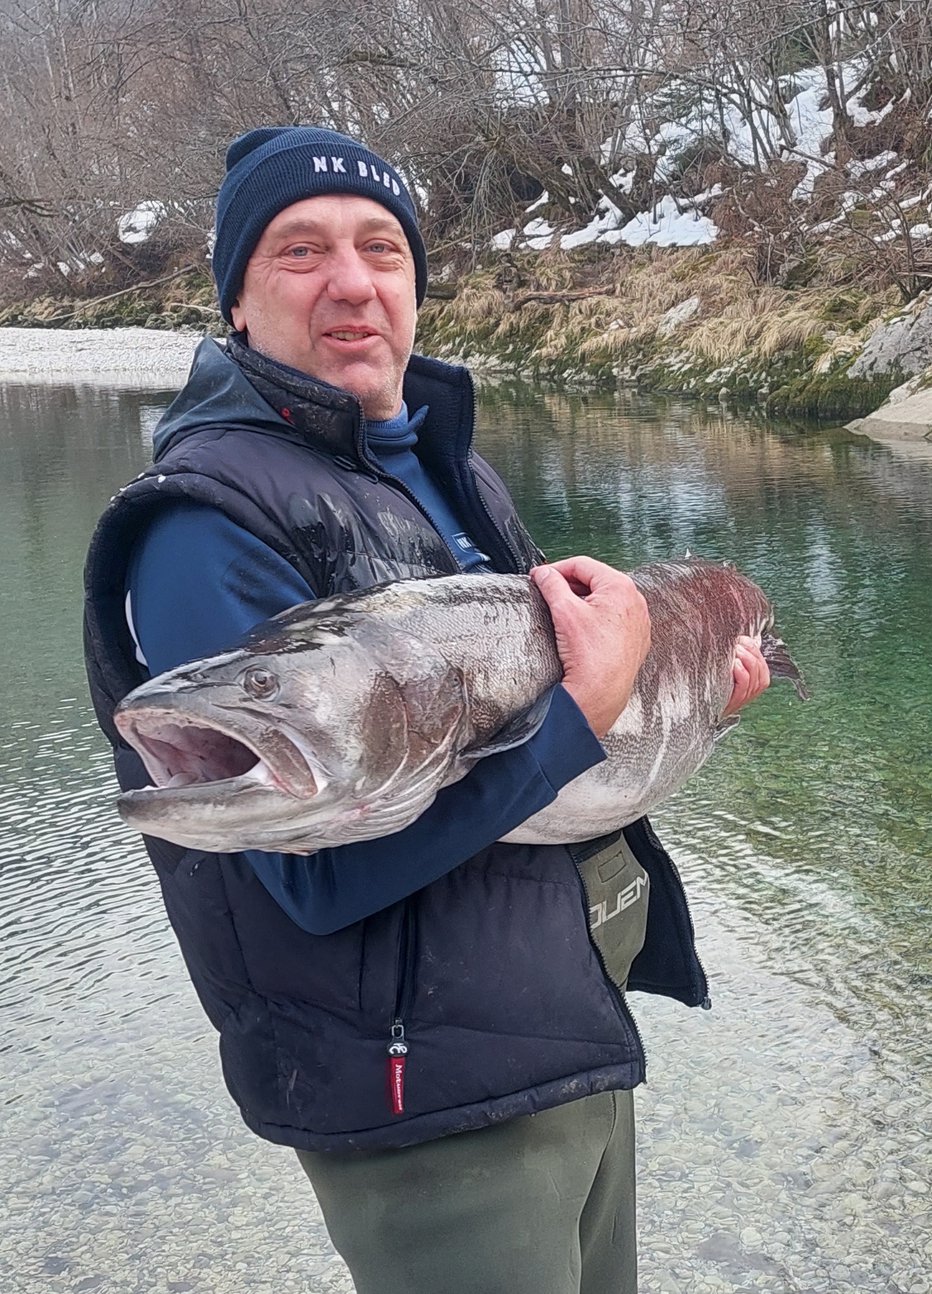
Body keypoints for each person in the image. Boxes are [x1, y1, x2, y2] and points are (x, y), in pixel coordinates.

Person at [84, 126, 769, 1294]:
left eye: (381, 247)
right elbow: (305, 872)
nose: (351, 282)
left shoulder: (444, 465)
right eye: (299, 249)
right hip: (423, 1103)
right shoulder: (203, 519)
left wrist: (687, 703)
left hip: (555, 1031)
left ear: (414, 282)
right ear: (235, 302)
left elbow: (556, 735)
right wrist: (584, 715)